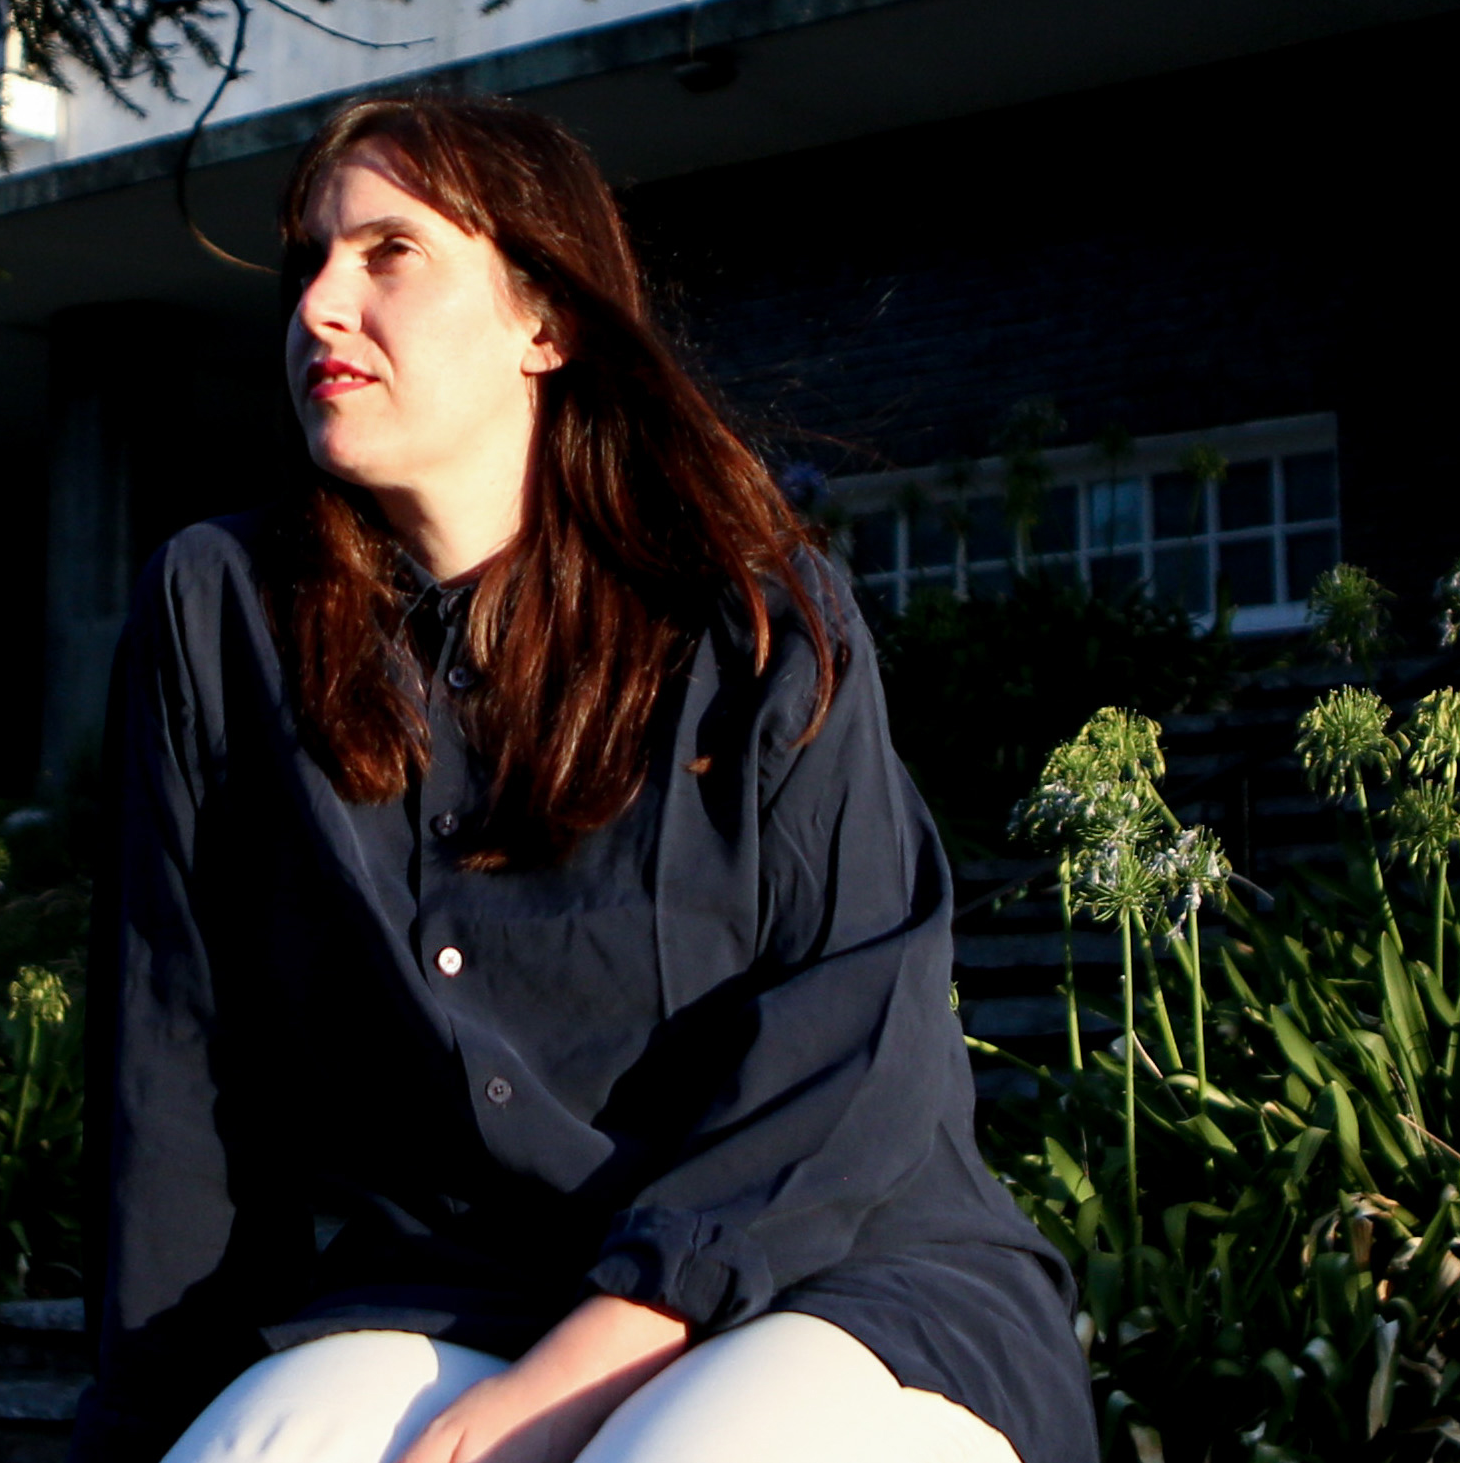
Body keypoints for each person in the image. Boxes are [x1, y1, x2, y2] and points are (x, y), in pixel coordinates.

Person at [76, 94, 1096, 1463]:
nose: (319, 304)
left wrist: (565, 1380)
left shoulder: (753, 623)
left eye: (388, 254)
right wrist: (149, 1426)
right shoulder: (222, 613)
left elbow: (857, 1039)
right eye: (309, 259)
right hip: (464, 1290)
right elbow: (173, 1073)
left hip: (828, 1270)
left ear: (543, 321)